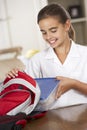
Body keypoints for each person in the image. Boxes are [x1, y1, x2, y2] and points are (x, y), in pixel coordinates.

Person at [6, 4, 87, 109]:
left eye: (53, 30)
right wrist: (15, 78)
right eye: (43, 32)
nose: (48, 37)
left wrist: (74, 84)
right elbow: (25, 94)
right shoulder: (37, 60)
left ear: (67, 25)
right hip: (51, 118)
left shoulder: (85, 53)